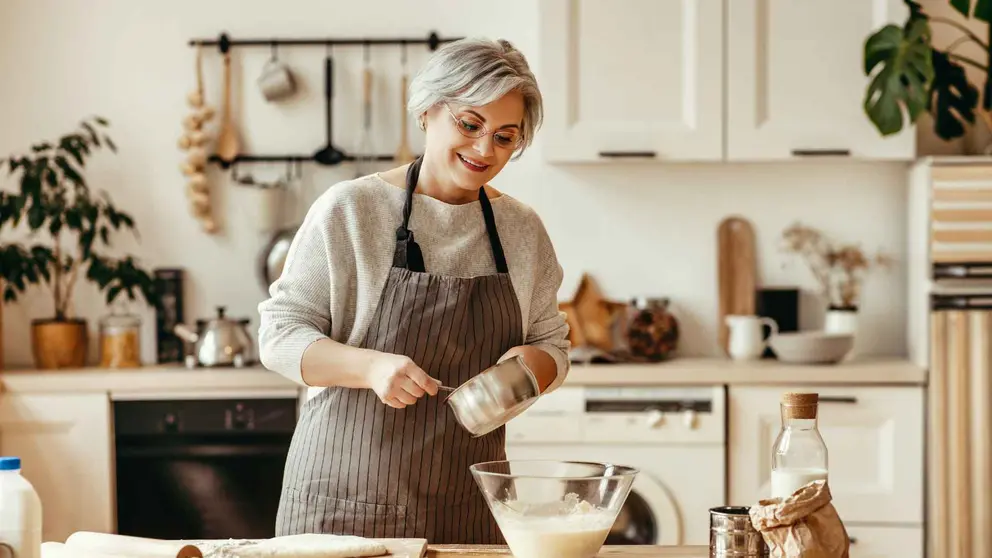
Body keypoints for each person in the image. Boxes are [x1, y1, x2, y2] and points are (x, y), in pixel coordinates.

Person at [257, 37, 570, 544]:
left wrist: (525, 371)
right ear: (427, 111)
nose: (484, 150)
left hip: (466, 506)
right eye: (469, 125)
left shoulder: (521, 229)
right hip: (343, 508)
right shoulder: (351, 210)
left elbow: (553, 344)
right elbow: (279, 335)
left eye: (505, 137)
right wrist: (371, 367)